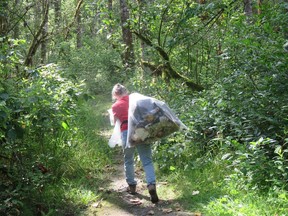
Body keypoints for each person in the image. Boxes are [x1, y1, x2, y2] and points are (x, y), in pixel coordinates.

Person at [111, 83, 159, 204]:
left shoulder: (115, 106)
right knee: (147, 160)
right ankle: (151, 185)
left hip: (126, 132)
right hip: (140, 130)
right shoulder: (136, 100)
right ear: (126, 91)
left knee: (128, 159)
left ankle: (132, 186)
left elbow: (115, 122)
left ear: (115, 94)